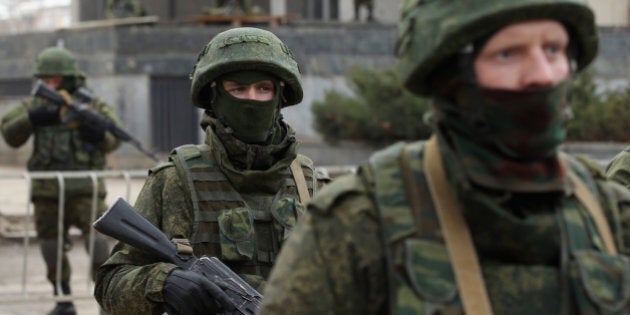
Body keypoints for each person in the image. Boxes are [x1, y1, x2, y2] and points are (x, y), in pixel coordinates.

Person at [259, 0, 630, 314]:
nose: (543, 76)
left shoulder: (612, 216)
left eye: (554, 50)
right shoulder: (359, 225)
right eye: (508, 53)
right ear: (450, 76)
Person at [94, 27, 327, 314]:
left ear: (279, 97)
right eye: (238, 89)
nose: (251, 99)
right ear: (215, 97)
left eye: (263, 89)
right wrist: (163, 283)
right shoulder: (175, 180)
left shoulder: (311, 185)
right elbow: (110, 284)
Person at [1, 46, 122, 315]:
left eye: (56, 79)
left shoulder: (90, 104)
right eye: (46, 79)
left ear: (69, 78)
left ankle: (106, 301)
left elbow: (114, 138)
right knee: (51, 247)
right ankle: (63, 299)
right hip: (47, 192)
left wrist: (95, 131)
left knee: (99, 247)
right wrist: (34, 118)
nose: (50, 84)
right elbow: (10, 133)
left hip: (86, 191)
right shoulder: (35, 104)